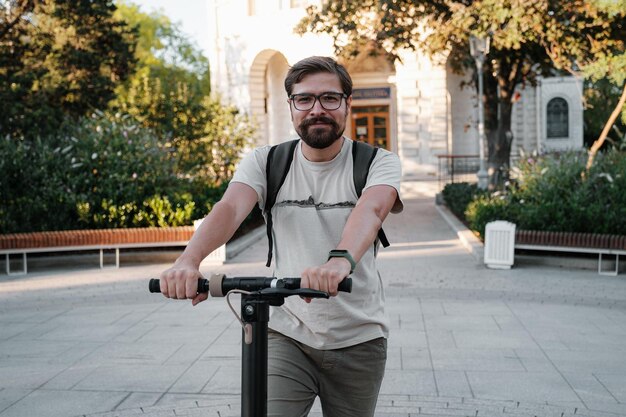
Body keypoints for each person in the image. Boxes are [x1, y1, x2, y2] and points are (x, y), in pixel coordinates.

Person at [159, 56, 403, 417]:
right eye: (304, 99)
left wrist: (339, 262)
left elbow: (371, 210)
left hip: (359, 337)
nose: (316, 109)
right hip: (287, 333)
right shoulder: (266, 162)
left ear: (348, 104)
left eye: (329, 99)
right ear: (291, 106)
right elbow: (228, 208)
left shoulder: (377, 162)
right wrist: (188, 260)